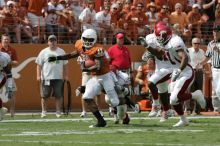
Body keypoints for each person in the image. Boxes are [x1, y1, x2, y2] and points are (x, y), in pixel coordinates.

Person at [141, 21, 206, 127]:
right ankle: (184, 118)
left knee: (174, 98)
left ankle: (196, 95)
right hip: (174, 69)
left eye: (161, 38)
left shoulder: (175, 41)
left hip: (185, 71)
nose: (159, 40)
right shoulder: (163, 41)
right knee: (173, 99)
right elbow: (159, 53)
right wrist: (148, 49)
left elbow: (184, 57)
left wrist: (179, 70)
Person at [48, 29, 114, 128]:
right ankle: (101, 121)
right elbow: (71, 55)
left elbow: (98, 66)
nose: (87, 42)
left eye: (90, 39)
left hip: (103, 75)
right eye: (85, 39)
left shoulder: (98, 49)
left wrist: (85, 67)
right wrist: (57, 58)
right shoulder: (79, 45)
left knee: (113, 99)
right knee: (87, 96)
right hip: (93, 76)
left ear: (94, 39)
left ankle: (121, 111)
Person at [35, 35, 68, 118]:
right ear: (48, 42)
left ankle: (58, 112)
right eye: (51, 41)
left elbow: (65, 65)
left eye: (54, 40)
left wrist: (66, 75)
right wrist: (38, 75)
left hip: (58, 77)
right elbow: (38, 65)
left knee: (58, 95)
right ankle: (44, 112)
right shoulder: (43, 52)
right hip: (46, 77)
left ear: (56, 41)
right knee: (45, 95)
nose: (52, 42)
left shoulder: (61, 51)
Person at [107, 32, 133, 124]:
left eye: (122, 38)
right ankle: (115, 113)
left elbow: (129, 61)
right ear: (116, 39)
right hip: (116, 73)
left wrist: (131, 72)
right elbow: (108, 63)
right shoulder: (111, 49)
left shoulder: (126, 49)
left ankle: (123, 113)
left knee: (125, 93)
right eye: (119, 38)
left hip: (125, 73)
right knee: (115, 93)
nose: (121, 40)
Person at [201, 25, 220, 113]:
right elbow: (208, 56)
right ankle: (217, 110)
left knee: (219, 90)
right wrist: (201, 64)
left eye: (217, 31)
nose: (215, 33)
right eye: (214, 31)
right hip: (214, 69)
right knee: (215, 91)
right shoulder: (211, 43)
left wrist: (218, 51)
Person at [185, 38, 205, 115]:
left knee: (199, 90)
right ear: (192, 43)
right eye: (195, 43)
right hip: (190, 72)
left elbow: (204, 61)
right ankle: (189, 109)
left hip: (199, 72)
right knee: (189, 90)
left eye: (198, 43)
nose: (197, 45)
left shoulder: (202, 51)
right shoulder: (188, 51)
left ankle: (197, 110)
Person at [0, 34, 18, 117]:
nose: (6, 41)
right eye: (4, 39)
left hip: (8, 74)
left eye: (7, 39)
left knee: (11, 92)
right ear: (1, 40)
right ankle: (1, 110)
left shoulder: (12, 50)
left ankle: (12, 111)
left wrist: (9, 62)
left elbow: (16, 62)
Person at [0, 51, 13, 121]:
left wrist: (10, 87)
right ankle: (1, 110)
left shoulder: (4, 57)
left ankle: (1, 110)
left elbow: (9, 73)